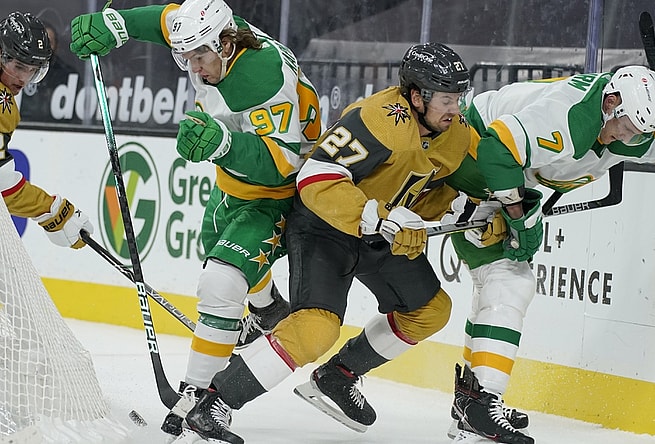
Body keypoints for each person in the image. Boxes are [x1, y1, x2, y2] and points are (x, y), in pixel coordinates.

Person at [171, 42, 539, 444]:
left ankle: (338, 375)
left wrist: (472, 217)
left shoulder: (455, 135)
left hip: (375, 235)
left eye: (459, 98)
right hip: (324, 227)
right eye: (446, 99)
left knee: (431, 311)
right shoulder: (379, 119)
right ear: (417, 97)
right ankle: (213, 402)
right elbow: (316, 177)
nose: (456, 108)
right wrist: (377, 215)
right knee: (316, 329)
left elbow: (434, 191)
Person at [442, 64, 655, 443]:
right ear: (610, 103)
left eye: (638, 132)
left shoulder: (634, 128)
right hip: (469, 153)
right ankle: (479, 402)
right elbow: (496, 148)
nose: (628, 138)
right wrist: (518, 215)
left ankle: (473, 400)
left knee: (496, 283)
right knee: (509, 280)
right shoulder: (570, 116)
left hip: (504, 172)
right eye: (626, 127)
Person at [69, 0, 322, 438]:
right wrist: (116, 24)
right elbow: (166, 20)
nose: (194, 68)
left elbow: (281, 164)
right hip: (232, 187)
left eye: (200, 57)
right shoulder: (210, 32)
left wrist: (223, 144)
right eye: (184, 57)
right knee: (217, 253)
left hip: (279, 195)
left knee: (222, 283)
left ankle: (199, 397)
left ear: (226, 44)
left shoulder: (260, 79)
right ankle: (266, 309)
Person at [1, 12, 93, 249]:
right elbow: (3, 186)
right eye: (19, 66)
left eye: (32, 70)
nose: (24, 78)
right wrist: (53, 211)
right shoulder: (2, 106)